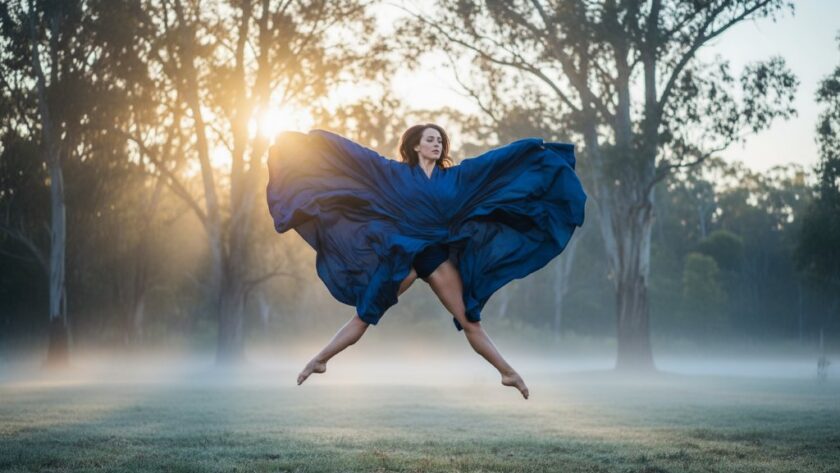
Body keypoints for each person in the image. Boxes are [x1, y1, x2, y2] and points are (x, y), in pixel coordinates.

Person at [266, 124, 587, 400]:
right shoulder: (391, 172)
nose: (437, 143)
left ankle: (508, 373)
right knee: (364, 314)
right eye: (431, 139)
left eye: (440, 140)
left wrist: (532, 148)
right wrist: (313, 141)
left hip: (435, 254)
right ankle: (319, 360)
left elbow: (495, 164)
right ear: (416, 144)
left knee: (470, 320)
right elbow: (355, 158)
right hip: (402, 252)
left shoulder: (457, 178)